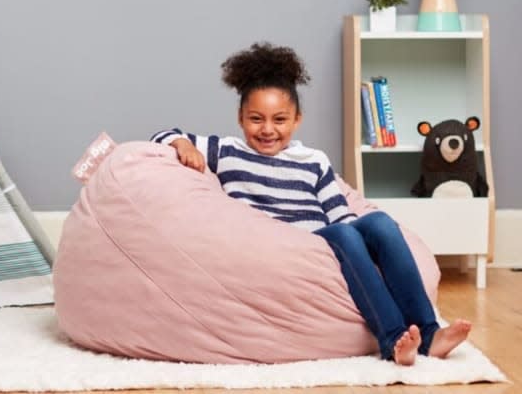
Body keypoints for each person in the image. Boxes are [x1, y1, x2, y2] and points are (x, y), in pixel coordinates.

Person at [150, 42, 471, 366]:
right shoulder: (228, 151)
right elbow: (162, 135)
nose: (267, 129)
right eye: (256, 119)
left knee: (379, 223)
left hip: (324, 234)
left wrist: (366, 241)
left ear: (297, 119)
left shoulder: (313, 159)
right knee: (346, 235)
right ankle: (392, 339)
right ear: (240, 118)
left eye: (280, 119)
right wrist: (180, 143)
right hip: (283, 241)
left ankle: (429, 334)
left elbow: (339, 211)